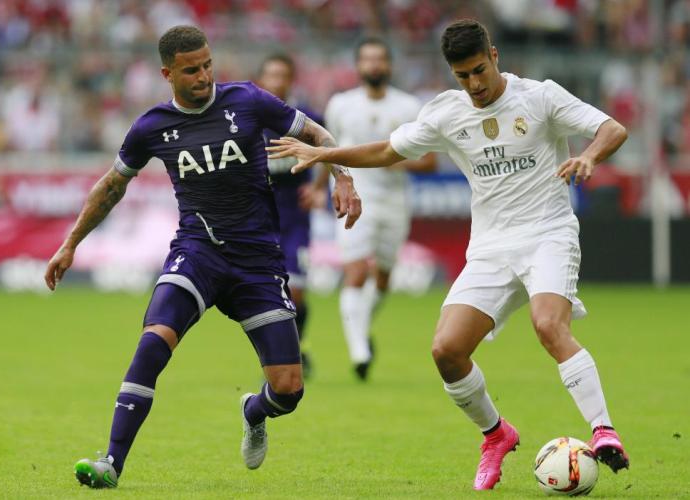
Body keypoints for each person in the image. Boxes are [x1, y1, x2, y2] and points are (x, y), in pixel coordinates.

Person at [268, 19, 630, 490]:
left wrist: (589, 157)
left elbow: (611, 128)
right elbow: (386, 151)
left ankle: (603, 430)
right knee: (447, 351)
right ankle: (496, 434)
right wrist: (325, 155)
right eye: (463, 76)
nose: (474, 84)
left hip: (548, 234)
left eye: (480, 70)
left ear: (494, 56)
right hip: (490, 247)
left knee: (548, 325)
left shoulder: (540, 97)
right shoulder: (447, 112)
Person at [44, 25, 360, 489]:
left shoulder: (248, 100)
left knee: (289, 389)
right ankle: (110, 462)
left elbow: (317, 132)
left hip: (258, 263)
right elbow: (111, 186)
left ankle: (254, 411)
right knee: (153, 342)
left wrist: (343, 176)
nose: (204, 76)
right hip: (197, 253)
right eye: (192, 70)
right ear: (167, 74)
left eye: (208, 65)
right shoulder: (151, 126)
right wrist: (70, 243)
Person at [323, 37, 436, 380]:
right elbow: (327, 151)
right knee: (356, 272)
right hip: (354, 195)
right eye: (367, 59)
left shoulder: (408, 106)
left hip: (394, 201)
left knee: (383, 278)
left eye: (379, 59)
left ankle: (360, 330)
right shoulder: (341, 105)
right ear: (358, 65)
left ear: (389, 65)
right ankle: (359, 351)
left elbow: (429, 161)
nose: (374, 65)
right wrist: (318, 188)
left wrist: (391, 161)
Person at [257, 53, 325, 379]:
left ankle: (297, 346)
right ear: (262, 80)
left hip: (296, 220)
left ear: (291, 80)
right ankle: (280, 358)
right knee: (270, 294)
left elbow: (330, 149)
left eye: (282, 75)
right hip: (261, 222)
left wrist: (319, 187)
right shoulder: (249, 121)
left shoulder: (306, 119)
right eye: (271, 75)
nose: (277, 82)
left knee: (296, 293)